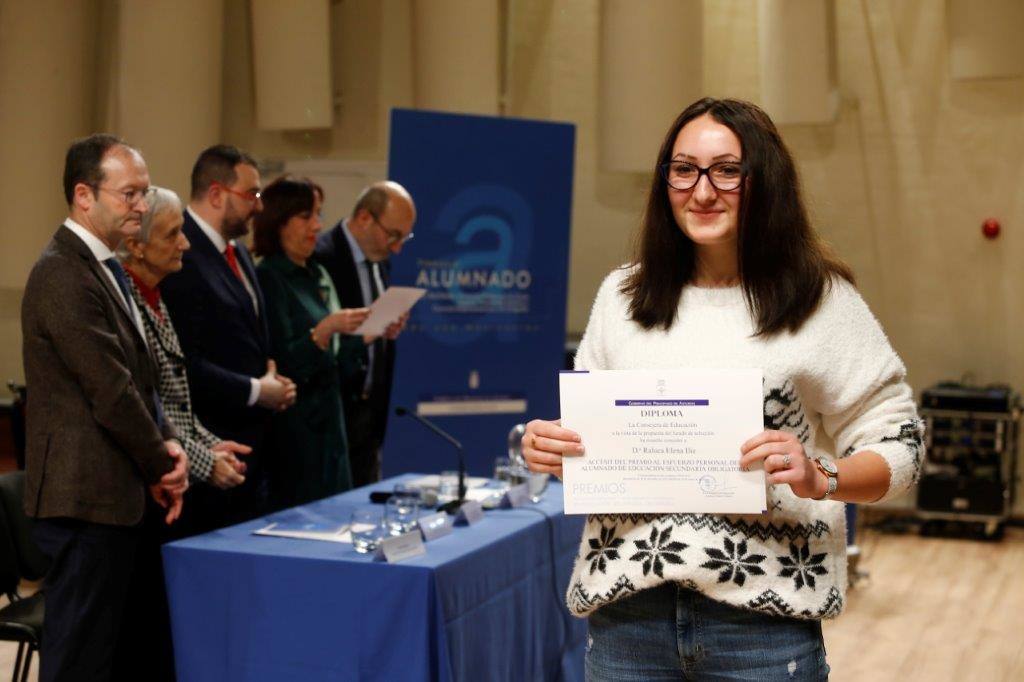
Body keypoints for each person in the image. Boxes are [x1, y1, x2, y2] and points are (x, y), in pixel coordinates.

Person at [522, 98, 924, 681]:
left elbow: (902, 445)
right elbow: (590, 447)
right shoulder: (622, 298)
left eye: (727, 170)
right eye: (683, 169)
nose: (702, 191)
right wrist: (555, 452)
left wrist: (822, 477)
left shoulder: (821, 301)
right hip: (627, 622)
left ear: (766, 180)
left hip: (762, 627)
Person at [22, 134, 188, 680]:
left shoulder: (107, 267)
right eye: (130, 194)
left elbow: (143, 378)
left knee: (113, 656)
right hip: (83, 499)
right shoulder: (62, 273)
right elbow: (111, 391)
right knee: (79, 663)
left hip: (113, 494)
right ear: (84, 196)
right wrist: (164, 464)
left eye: (144, 192)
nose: (142, 205)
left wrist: (166, 443)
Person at [161, 145, 296, 532]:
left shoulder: (237, 251)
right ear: (217, 194)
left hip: (254, 451)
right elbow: (186, 361)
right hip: (210, 451)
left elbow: (248, 337)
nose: (259, 206)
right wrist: (256, 389)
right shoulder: (181, 252)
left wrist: (272, 378)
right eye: (252, 194)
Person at [254, 177, 369, 508]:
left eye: (318, 215)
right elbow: (282, 361)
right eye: (306, 216)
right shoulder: (270, 277)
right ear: (279, 221)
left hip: (332, 423)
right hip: (296, 430)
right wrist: (322, 332)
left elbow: (337, 355)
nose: (317, 226)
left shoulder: (318, 273)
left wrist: (368, 333)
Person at [314, 181, 415, 486]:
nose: (397, 248)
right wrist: (365, 333)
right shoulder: (321, 257)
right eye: (393, 235)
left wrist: (388, 326)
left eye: (404, 238)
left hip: (370, 418)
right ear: (364, 218)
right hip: (333, 415)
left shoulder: (379, 261)